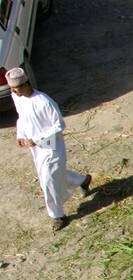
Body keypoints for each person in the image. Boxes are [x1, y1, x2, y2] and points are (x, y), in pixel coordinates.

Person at [7, 68, 91, 232]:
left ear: (25, 85)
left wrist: (37, 139)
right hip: (36, 149)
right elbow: (22, 117)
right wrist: (21, 134)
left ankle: (57, 215)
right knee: (51, 175)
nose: (12, 91)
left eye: (14, 88)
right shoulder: (17, 97)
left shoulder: (44, 102)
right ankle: (82, 180)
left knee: (47, 179)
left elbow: (59, 125)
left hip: (52, 147)